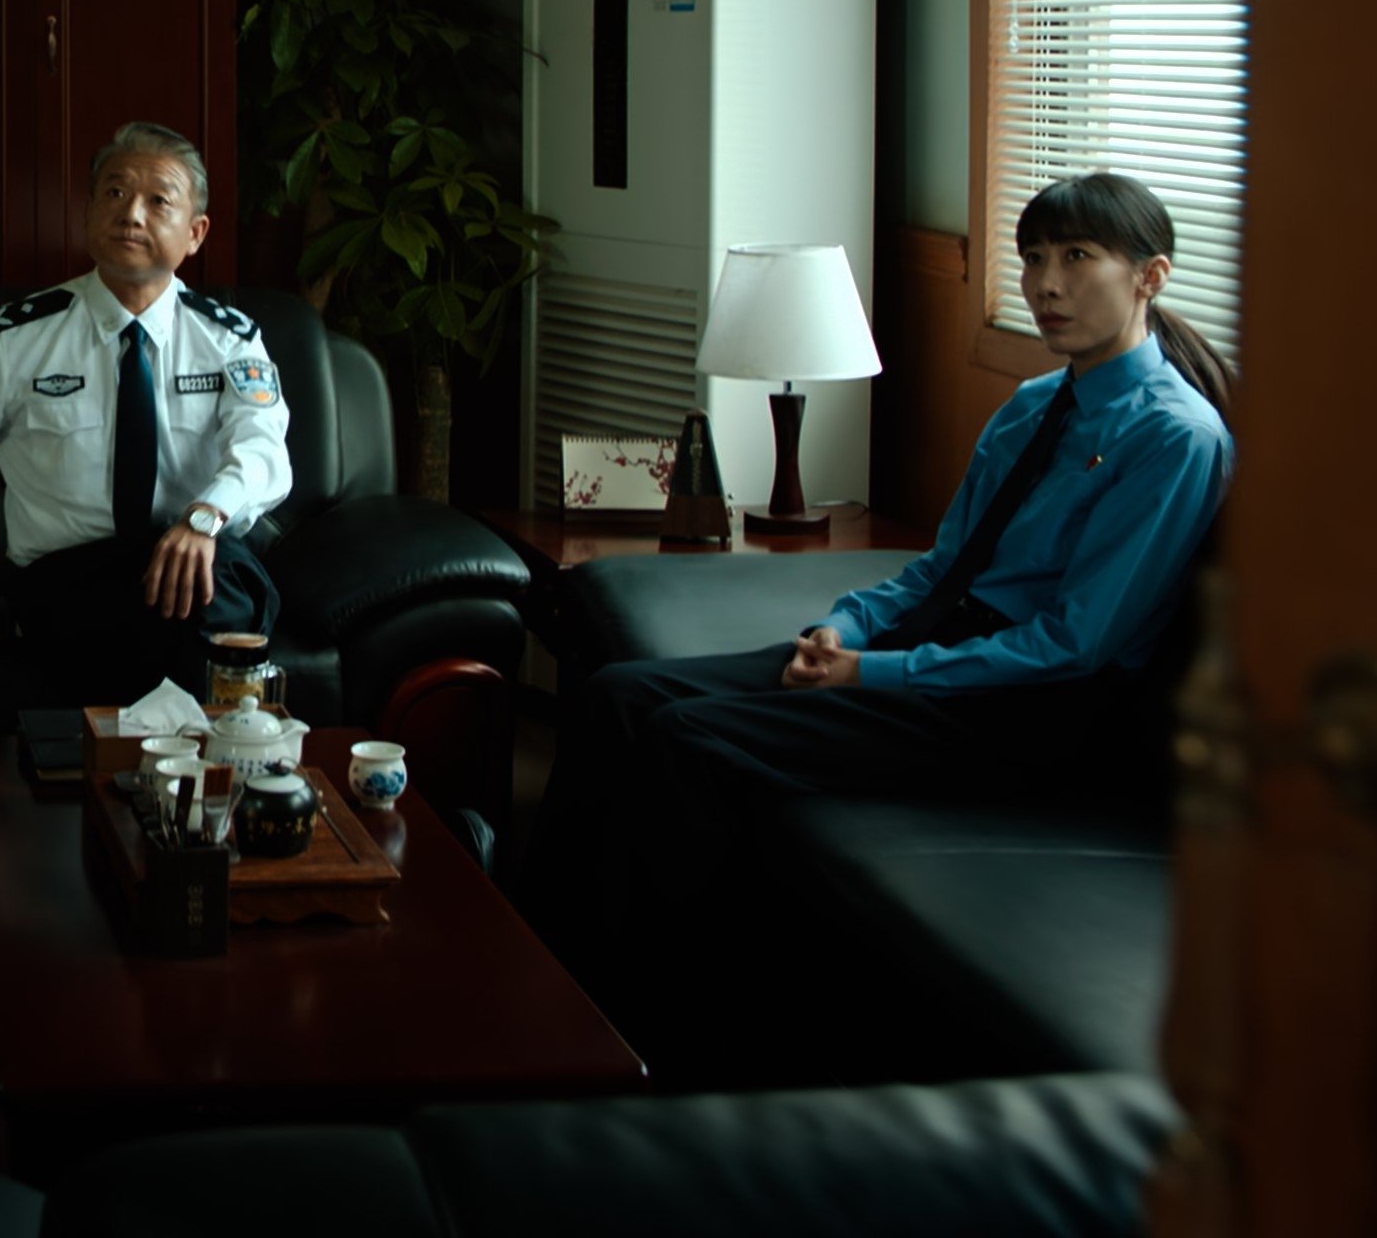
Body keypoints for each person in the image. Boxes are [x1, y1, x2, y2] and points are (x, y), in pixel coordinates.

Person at [513, 171, 1235, 998]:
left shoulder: (1174, 437)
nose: (1045, 284)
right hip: (941, 648)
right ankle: (531, 951)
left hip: (1034, 707)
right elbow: (939, 567)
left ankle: (624, 1002)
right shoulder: (1033, 405)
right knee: (617, 694)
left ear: (1150, 277)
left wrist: (874, 673)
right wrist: (845, 629)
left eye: (1076, 257)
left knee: (688, 739)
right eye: (1034, 257)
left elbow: (1075, 645)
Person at [0, 123, 293, 703]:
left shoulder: (228, 340)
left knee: (217, 577)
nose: (131, 214)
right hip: (69, 581)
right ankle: (205, 740)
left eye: (158, 201)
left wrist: (204, 519)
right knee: (221, 604)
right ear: (88, 212)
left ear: (195, 233)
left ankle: (146, 743)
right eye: (115, 192)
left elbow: (263, 451)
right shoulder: (18, 339)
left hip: (194, 564)